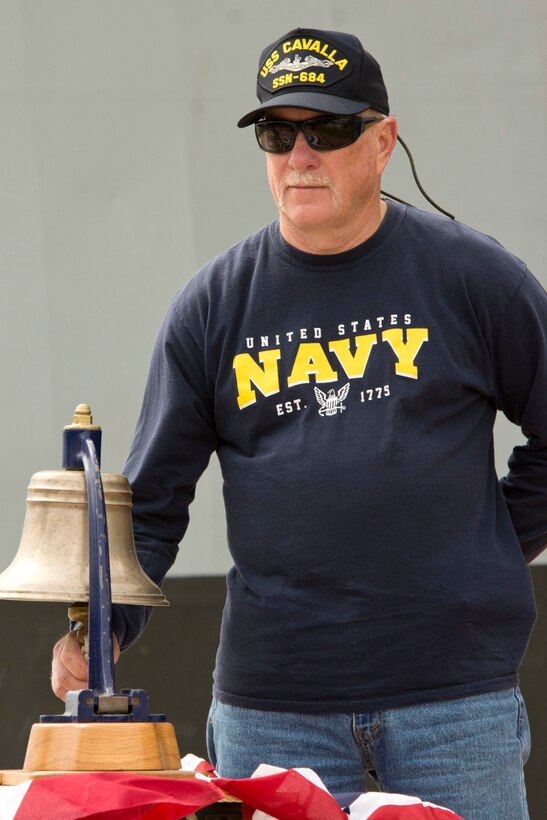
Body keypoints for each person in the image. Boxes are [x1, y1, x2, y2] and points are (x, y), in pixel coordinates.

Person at [51, 27, 547, 819]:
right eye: (279, 133)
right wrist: (104, 634)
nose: (301, 154)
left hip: (455, 706)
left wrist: (489, 541)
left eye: (330, 129)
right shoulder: (211, 307)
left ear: (383, 141)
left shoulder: (473, 278)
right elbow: (151, 503)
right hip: (273, 712)